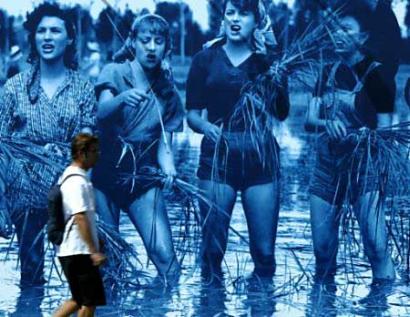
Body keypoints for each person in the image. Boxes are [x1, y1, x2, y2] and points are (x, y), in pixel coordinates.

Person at [186, 0, 289, 278]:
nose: (235, 19)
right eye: (230, 12)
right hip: (217, 158)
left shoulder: (269, 60)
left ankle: (262, 304)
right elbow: (192, 115)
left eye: (244, 13)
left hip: (260, 158)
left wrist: (276, 75)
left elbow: (281, 113)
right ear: (223, 18)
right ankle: (210, 305)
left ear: (257, 21)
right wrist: (206, 127)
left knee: (265, 254)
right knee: (211, 252)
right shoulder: (204, 59)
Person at [0, 2, 96, 287]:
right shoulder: (14, 88)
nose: (47, 37)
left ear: (69, 39)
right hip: (23, 186)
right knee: (32, 271)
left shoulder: (82, 88)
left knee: (81, 270)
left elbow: (86, 147)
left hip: (64, 185)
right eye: (41, 31)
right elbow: (0, 149)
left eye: (55, 30)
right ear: (33, 37)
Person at [305, 12, 395, 283]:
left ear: (363, 37)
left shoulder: (378, 75)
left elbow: (385, 132)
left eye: (346, 29)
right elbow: (309, 122)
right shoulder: (326, 71)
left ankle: (380, 303)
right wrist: (326, 124)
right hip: (326, 167)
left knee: (376, 248)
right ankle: (324, 305)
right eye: (335, 29)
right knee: (322, 251)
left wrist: (358, 136)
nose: (338, 35)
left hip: (364, 169)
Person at [92, 13, 184, 278]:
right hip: (106, 174)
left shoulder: (168, 91)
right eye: (145, 40)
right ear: (133, 42)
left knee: (167, 260)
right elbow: (102, 112)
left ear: (167, 47)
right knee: (107, 263)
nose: (152, 47)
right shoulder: (115, 71)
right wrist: (122, 99)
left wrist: (169, 168)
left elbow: (164, 141)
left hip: (143, 175)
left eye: (159, 41)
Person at [53, 133, 106, 317]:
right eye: (94, 151)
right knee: (89, 301)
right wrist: (94, 251)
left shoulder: (69, 177)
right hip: (79, 250)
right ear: (82, 154)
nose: (98, 155)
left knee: (78, 299)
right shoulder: (77, 182)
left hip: (71, 250)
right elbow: (80, 217)